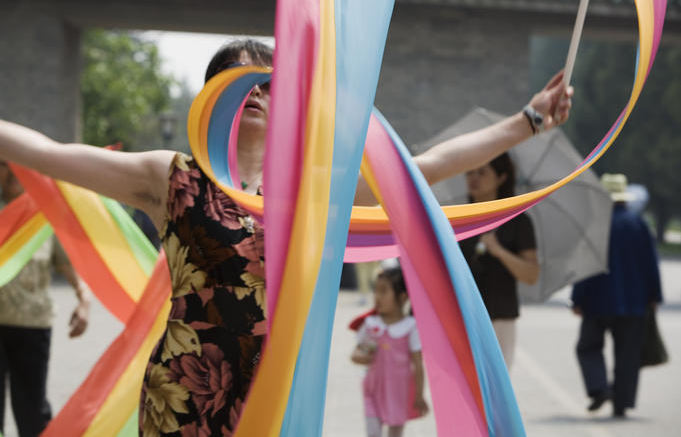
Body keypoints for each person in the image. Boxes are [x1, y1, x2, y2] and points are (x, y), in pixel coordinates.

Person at [0, 38, 572, 435]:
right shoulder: (170, 175)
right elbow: (47, 153)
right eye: (235, 80)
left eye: (267, 83)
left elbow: (425, 167)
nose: (253, 92)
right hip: (184, 385)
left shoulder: (309, 192)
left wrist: (530, 120)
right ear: (208, 99)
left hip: (278, 385)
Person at [0, 161, 90, 437]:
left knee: (33, 412)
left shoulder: (45, 218)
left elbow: (69, 264)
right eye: (4, 165)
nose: (13, 172)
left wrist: (83, 300)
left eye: (20, 165)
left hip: (33, 325)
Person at [571, 173, 663, 418]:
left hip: (596, 301)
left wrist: (577, 298)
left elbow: (584, 264)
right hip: (634, 302)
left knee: (588, 347)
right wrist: (655, 295)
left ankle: (599, 389)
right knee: (628, 353)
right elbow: (651, 264)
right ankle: (621, 403)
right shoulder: (639, 224)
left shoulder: (594, 224)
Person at [459, 153, 539, 368]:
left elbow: (531, 274)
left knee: (495, 393)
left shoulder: (518, 222)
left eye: (482, 172)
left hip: (500, 317)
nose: (473, 178)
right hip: (461, 316)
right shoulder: (455, 220)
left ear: (502, 177)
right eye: (469, 172)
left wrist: (499, 251)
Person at [351, 267, 427, 437]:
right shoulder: (371, 325)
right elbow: (356, 354)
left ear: (402, 297)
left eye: (383, 291)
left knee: (395, 433)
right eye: (375, 290)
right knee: (373, 433)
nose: (377, 296)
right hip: (372, 391)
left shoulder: (410, 327)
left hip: (399, 392)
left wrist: (419, 395)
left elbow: (417, 364)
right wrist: (364, 357)